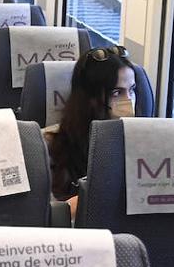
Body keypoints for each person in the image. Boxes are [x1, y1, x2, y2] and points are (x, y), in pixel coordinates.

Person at [46, 46, 138, 210]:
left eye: (132, 90)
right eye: (116, 92)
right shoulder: (47, 145)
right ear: (90, 98)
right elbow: (44, 218)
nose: (129, 100)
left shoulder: (143, 144)